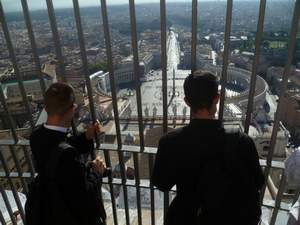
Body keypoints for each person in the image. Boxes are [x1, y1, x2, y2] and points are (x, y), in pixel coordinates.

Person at [152, 71, 265, 225]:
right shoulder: (242, 141)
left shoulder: (169, 142)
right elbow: (258, 182)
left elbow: (161, 183)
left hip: (189, 218)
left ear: (187, 101)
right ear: (217, 98)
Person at [27, 82, 106, 225]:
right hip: (69, 214)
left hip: (47, 207)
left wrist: (85, 137)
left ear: (46, 108)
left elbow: (57, 147)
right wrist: (97, 172)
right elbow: (85, 195)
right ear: (73, 109)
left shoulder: (36, 135)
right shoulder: (68, 158)